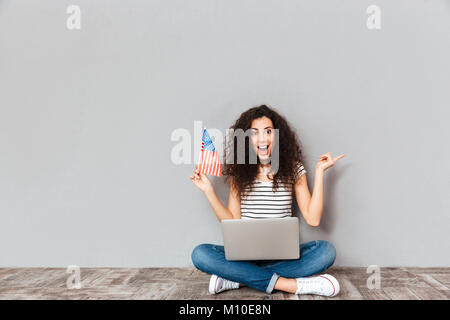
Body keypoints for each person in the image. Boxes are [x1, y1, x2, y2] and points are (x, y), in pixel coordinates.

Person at [190, 105, 345, 296]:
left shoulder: (293, 170)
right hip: (244, 258)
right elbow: (231, 221)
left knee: (325, 252)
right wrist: (208, 191)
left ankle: (238, 279)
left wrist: (320, 172)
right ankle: (291, 285)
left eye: (268, 131)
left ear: (278, 136)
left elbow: (313, 219)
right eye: (254, 133)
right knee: (200, 254)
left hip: (283, 258)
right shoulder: (239, 174)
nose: (262, 138)